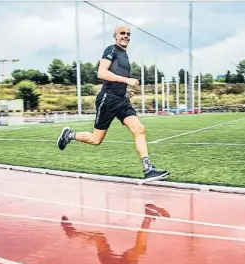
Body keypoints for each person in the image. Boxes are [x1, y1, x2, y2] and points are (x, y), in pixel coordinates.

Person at [56, 25, 169, 182]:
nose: (126, 36)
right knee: (96, 139)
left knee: (139, 129)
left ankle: (148, 169)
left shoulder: (125, 55)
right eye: (122, 33)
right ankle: (69, 135)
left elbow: (117, 76)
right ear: (115, 36)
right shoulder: (111, 49)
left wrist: (125, 91)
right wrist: (127, 80)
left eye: (128, 34)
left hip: (121, 100)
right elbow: (102, 73)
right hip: (107, 99)